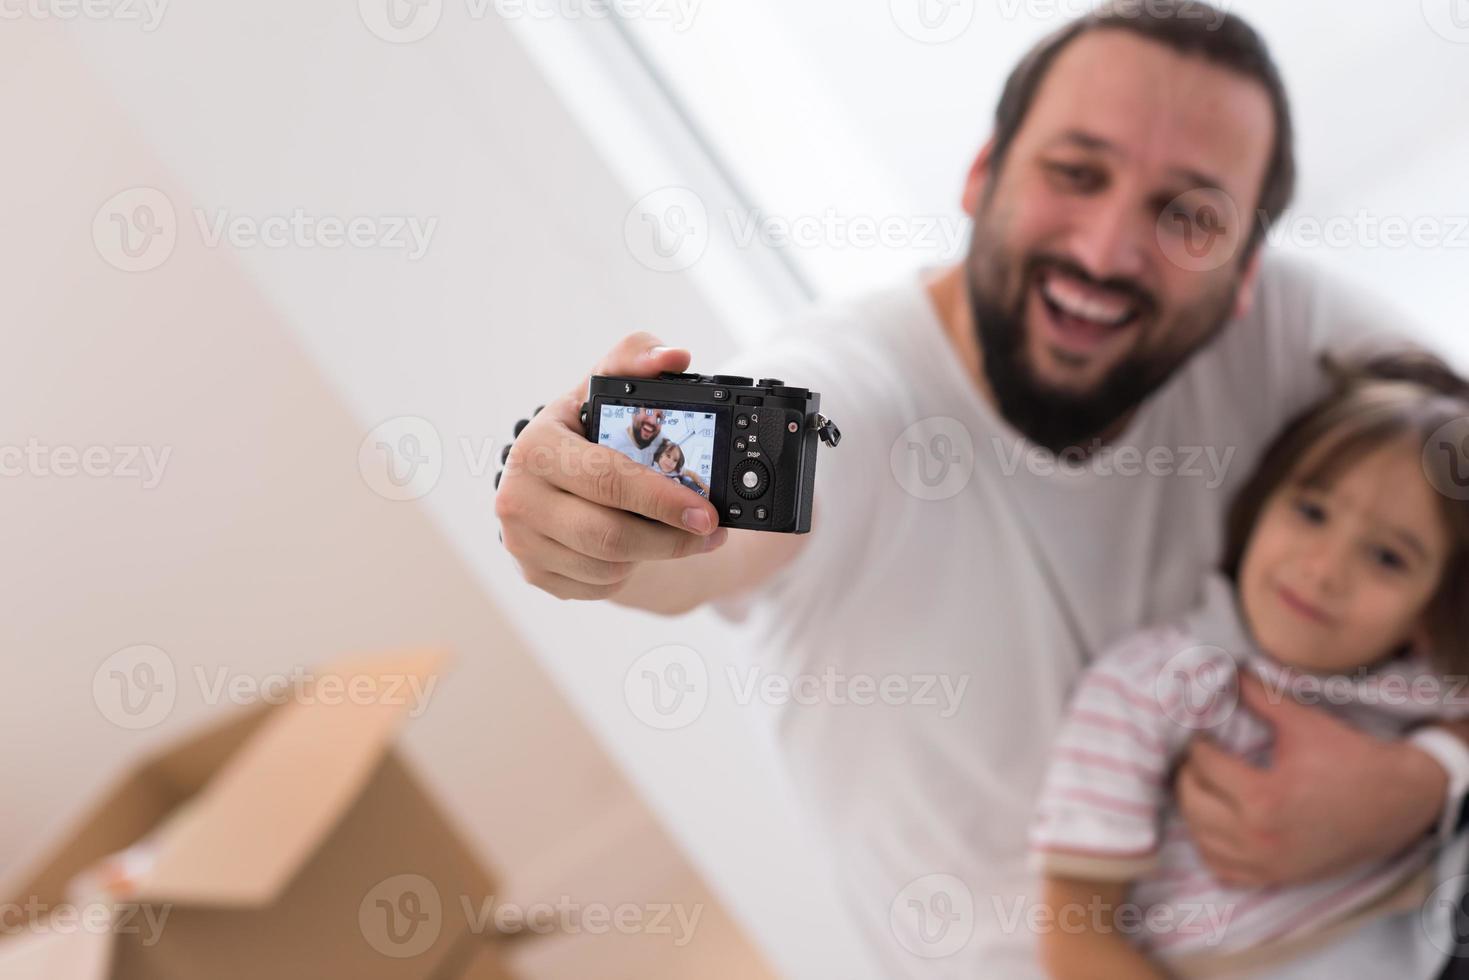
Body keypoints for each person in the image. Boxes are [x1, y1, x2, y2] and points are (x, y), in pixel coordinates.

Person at [495, 2, 1469, 974]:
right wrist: (595, 510)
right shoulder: (857, 396)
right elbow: (715, 500)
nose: (1102, 251)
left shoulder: (1285, 328)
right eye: (1073, 172)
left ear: (1246, 268)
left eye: (1188, 216)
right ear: (980, 173)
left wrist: (1427, 773)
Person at [1034, 353, 1469, 979]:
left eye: (1386, 558)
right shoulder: (1151, 683)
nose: (1323, 569)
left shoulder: (1428, 688)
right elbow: (1074, 932)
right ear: (1260, 504)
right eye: (1312, 513)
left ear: (1430, 614)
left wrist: (1440, 766)